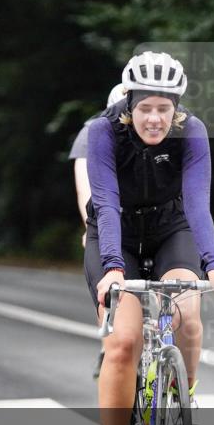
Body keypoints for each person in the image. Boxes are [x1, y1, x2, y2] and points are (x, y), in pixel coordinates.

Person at [84, 51, 214, 425]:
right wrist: (114, 268)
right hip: (113, 235)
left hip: (169, 229)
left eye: (164, 108)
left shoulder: (191, 132)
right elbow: (107, 202)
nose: (155, 118)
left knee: (189, 316)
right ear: (129, 104)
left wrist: (213, 267)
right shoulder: (103, 133)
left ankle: (184, 400)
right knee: (122, 342)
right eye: (145, 108)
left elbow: (197, 203)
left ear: (176, 107)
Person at [70, 83, 126, 379]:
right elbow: (86, 188)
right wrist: (89, 224)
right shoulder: (92, 131)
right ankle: (109, 347)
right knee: (110, 287)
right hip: (106, 212)